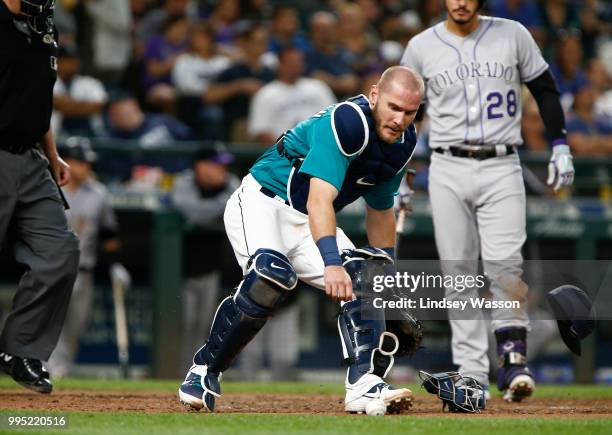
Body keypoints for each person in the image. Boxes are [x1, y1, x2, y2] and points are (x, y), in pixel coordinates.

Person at [178, 66, 423, 414]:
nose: (400, 119)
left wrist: (388, 276)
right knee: (270, 277)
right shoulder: (348, 122)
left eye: (409, 112)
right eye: (393, 107)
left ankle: (363, 386)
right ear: (374, 96)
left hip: (307, 218)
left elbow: (381, 211)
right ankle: (204, 371)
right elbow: (319, 200)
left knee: (367, 276)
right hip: (265, 201)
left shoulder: (403, 143)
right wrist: (332, 263)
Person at [401, 0, 575, 402]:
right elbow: (410, 115)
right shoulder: (421, 46)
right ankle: (472, 373)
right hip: (446, 164)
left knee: (506, 266)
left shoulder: (512, 33)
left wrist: (560, 143)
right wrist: (404, 176)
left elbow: (545, 88)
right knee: (457, 272)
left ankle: (513, 359)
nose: (460, 3)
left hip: (501, 162)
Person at [0, 0, 80, 393]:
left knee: (59, 251)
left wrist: (52, 153)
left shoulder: (44, 24)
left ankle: (20, 350)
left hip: (31, 157)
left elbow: (38, 98)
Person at [46, 137, 121, 378]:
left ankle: (61, 371)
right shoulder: (48, 187)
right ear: (64, 161)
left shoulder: (98, 193)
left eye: (87, 162)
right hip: (51, 267)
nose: (85, 166)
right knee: (49, 323)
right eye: (79, 161)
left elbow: (109, 234)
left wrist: (115, 264)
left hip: (84, 269)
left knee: (75, 327)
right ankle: (46, 369)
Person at [170, 147, 240, 370]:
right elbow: (194, 212)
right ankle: (173, 374)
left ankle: (196, 372)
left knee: (204, 328)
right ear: (200, 165)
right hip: (178, 272)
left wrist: (214, 209)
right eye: (216, 164)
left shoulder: (230, 182)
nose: (222, 170)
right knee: (181, 327)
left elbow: (239, 198)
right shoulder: (183, 182)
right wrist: (221, 206)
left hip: (211, 269)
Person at [247, 47, 336, 146]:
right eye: (291, 62)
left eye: (299, 61)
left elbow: (333, 119)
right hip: (284, 154)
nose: (296, 65)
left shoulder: (318, 87)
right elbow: (261, 130)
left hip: (320, 148)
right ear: (280, 64)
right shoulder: (266, 93)